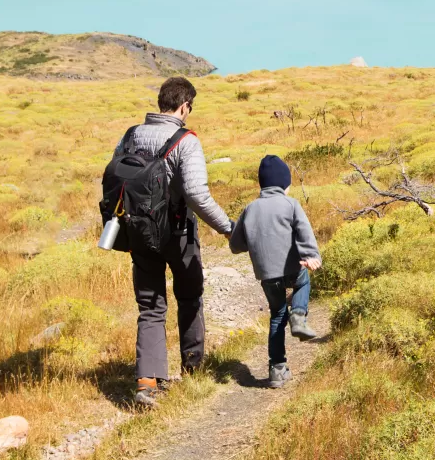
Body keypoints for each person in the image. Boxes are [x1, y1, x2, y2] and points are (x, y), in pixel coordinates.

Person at [116, 76, 233, 408]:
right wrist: (227, 227)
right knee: (190, 295)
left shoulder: (129, 136)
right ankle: (193, 367)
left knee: (151, 307)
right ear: (185, 106)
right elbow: (196, 194)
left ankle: (147, 384)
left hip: (138, 233)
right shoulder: (186, 140)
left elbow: (114, 178)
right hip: (178, 232)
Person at [229, 154, 322, 389]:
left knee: (277, 316)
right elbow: (304, 232)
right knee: (302, 282)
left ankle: (277, 370)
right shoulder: (291, 204)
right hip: (291, 267)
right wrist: (312, 256)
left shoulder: (250, 209)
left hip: (266, 275)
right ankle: (299, 316)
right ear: (284, 184)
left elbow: (235, 245)